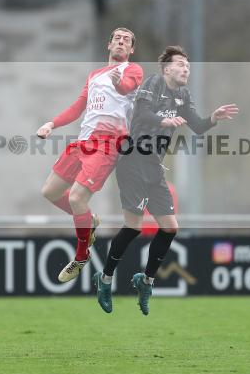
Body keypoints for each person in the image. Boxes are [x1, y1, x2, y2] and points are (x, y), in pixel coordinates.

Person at [92, 46, 238, 315]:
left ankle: (145, 281)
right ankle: (105, 278)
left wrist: (213, 119)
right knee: (133, 227)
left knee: (170, 228)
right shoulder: (154, 83)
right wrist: (166, 121)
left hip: (154, 167)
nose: (186, 69)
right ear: (167, 68)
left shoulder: (183, 94)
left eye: (188, 66)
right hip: (133, 160)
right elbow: (143, 114)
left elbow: (196, 125)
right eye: (181, 64)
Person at [37, 27, 143, 283]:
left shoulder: (132, 70)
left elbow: (127, 87)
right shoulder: (95, 75)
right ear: (109, 45)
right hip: (83, 142)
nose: (120, 42)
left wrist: (120, 85)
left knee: (76, 198)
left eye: (126, 40)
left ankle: (82, 255)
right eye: (116, 38)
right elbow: (77, 107)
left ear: (131, 50)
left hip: (108, 144)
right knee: (50, 192)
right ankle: (90, 220)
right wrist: (52, 124)